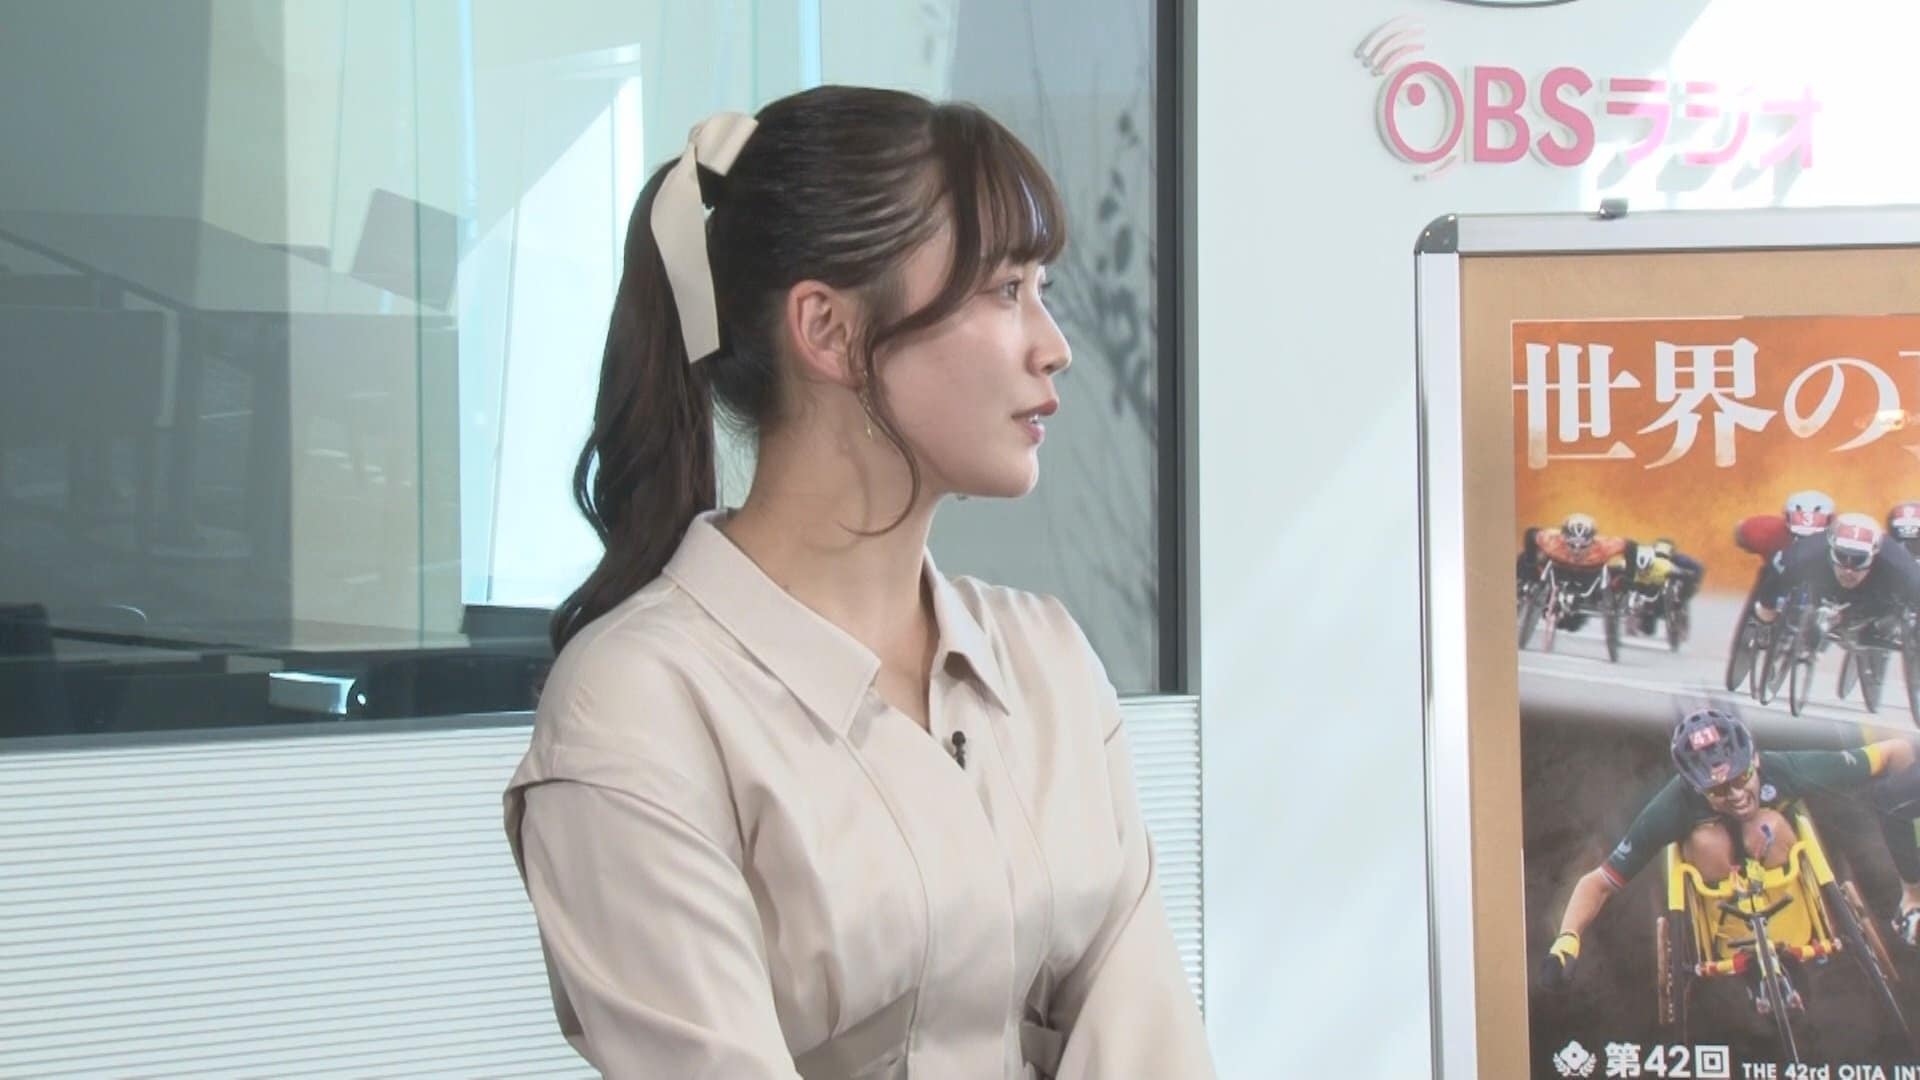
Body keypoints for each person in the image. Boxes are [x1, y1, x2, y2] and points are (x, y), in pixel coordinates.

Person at [499, 86, 1213, 1079]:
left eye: (1041, 288)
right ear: (828, 330)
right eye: (1004, 290)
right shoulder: (636, 706)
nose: (1054, 345)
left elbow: (1150, 1048)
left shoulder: (1046, 661)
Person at [1537, 709, 1920, 994]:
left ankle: (1787, 929)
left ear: (1755, 759)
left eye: (1742, 778)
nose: (1736, 795)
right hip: (1723, 921)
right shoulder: (1672, 806)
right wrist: (1567, 941)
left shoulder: (1786, 768)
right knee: (1705, 839)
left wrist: (1912, 890)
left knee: (1766, 823)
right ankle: (1749, 953)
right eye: (1719, 790)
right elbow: (1600, 882)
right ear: (1693, 786)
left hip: (1789, 899)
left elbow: (1894, 753)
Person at [1753, 512, 1920, 651]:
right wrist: (1766, 617)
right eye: (1841, 556)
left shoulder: (1899, 566)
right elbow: (1773, 574)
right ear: (1831, 549)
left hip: (1875, 590)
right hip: (1822, 576)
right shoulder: (1804, 554)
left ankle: (1865, 619)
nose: (1848, 570)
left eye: (1859, 560)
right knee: (1774, 585)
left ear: (1874, 555)